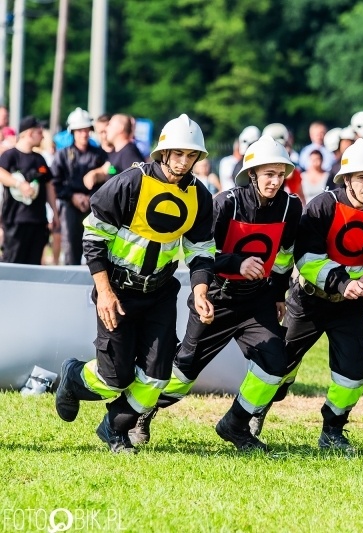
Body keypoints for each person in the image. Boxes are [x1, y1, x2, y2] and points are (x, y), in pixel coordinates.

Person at [128, 135, 302, 451]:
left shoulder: (291, 208)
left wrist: (278, 294)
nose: (275, 182)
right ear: (252, 173)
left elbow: (285, 256)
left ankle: (235, 425)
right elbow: (200, 253)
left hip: (257, 300)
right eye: (268, 174)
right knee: (183, 372)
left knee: (276, 363)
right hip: (216, 298)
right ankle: (143, 412)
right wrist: (237, 262)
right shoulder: (226, 202)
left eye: (280, 175)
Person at [55, 114, 216, 453]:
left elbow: (201, 249)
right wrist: (104, 291)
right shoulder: (131, 182)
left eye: (191, 156)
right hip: (116, 290)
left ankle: (114, 429)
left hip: (159, 292)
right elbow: (93, 236)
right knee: (115, 378)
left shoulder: (200, 196)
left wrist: (200, 289)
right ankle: (72, 377)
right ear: (164, 151)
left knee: (157, 377)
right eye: (178, 154)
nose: (183, 162)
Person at [259, 139, 363, 452]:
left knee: (353, 374)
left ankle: (333, 430)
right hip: (308, 300)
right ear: (346, 179)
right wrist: (343, 283)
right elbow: (307, 258)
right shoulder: (322, 206)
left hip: (351, 306)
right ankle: (256, 411)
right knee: (279, 368)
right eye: (362, 178)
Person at [51, 108, 108, 265]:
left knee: (96, 246)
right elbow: (55, 182)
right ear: (73, 132)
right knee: (71, 246)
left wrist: (91, 197)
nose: (84, 134)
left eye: (86, 130)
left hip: (95, 206)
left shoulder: (99, 154)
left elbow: (109, 180)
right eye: (80, 130)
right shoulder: (62, 155)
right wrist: (72, 196)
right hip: (69, 205)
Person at [0, 116, 60, 264]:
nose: (43, 135)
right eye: (39, 132)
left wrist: (55, 213)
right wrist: (19, 184)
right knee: (13, 262)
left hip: (38, 221)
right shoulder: (10, 155)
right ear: (28, 133)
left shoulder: (40, 159)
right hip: (16, 221)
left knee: (33, 265)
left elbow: (49, 185)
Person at [82, 114, 144, 191]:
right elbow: (105, 170)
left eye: (110, 125)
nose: (107, 128)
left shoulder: (128, 154)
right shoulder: (117, 152)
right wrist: (94, 174)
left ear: (120, 128)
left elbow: (139, 182)